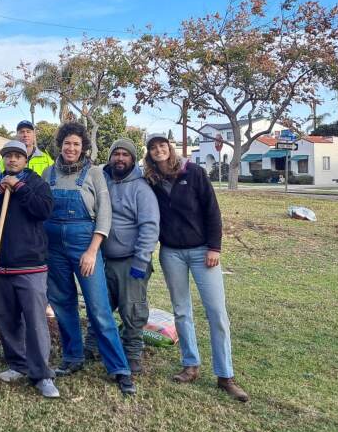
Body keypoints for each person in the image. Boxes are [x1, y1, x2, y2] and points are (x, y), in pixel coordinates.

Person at [143, 133, 249, 402]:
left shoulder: (194, 173)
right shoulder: (151, 181)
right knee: (181, 311)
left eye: (162, 146)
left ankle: (225, 375)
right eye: (153, 148)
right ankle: (190, 365)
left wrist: (215, 247)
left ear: (170, 148)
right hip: (171, 253)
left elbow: (212, 211)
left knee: (216, 312)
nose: (158, 151)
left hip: (203, 252)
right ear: (149, 154)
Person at [42, 122, 136, 396]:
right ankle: (73, 357)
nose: (71, 148)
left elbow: (105, 215)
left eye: (76, 144)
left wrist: (92, 250)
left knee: (99, 308)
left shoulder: (94, 173)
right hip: (53, 247)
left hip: (84, 245)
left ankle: (119, 368)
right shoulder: (49, 172)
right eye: (67, 143)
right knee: (62, 303)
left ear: (83, 147)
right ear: (60, 144)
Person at [0, 140, 58, 398]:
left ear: (25, 160)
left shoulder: (35, 182)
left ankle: (42, 374)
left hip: (30, 265)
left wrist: (19, 188)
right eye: (8, 156)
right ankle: (17, 364)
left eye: (17, 156)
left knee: (35, 321)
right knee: (7, 320)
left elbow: (44, 210)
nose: (12, 160)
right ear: (3, 160)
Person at [102, 138, 160, 375]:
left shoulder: (141, 188)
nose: (120, 159)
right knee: (100, 306)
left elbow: (149, 226)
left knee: (132, 310)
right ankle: (94, 347)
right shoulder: (103, 181)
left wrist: (141, 260)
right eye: (116, 154)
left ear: (133, 159)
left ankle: (133, 352)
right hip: (104, 259)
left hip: (131, 261)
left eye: (126, 155)